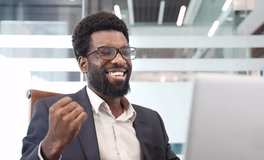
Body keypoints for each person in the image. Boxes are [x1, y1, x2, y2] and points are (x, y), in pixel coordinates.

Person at [21, 11, 180, 160]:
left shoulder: (152, 120)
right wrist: (50, 146)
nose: (119, 60)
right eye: (106, 52)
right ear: (83, 64)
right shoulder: (52, 111)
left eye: (125, 52)